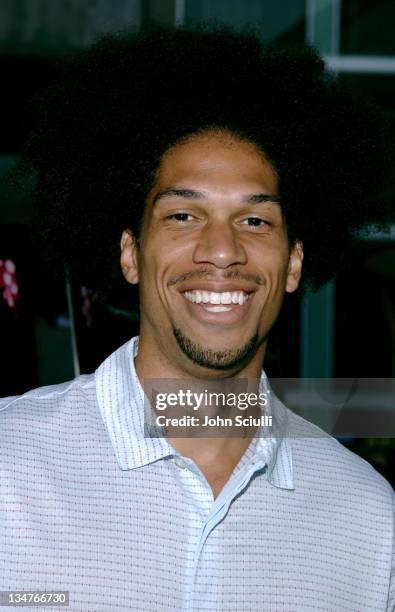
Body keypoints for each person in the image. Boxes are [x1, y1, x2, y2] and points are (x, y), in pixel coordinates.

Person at [1, 26, 393, 611]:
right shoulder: (9, 464)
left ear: (294, 264)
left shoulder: (367, 518)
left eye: (255, 221)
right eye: (183, 215)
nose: (221, 250)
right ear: (131, 252)